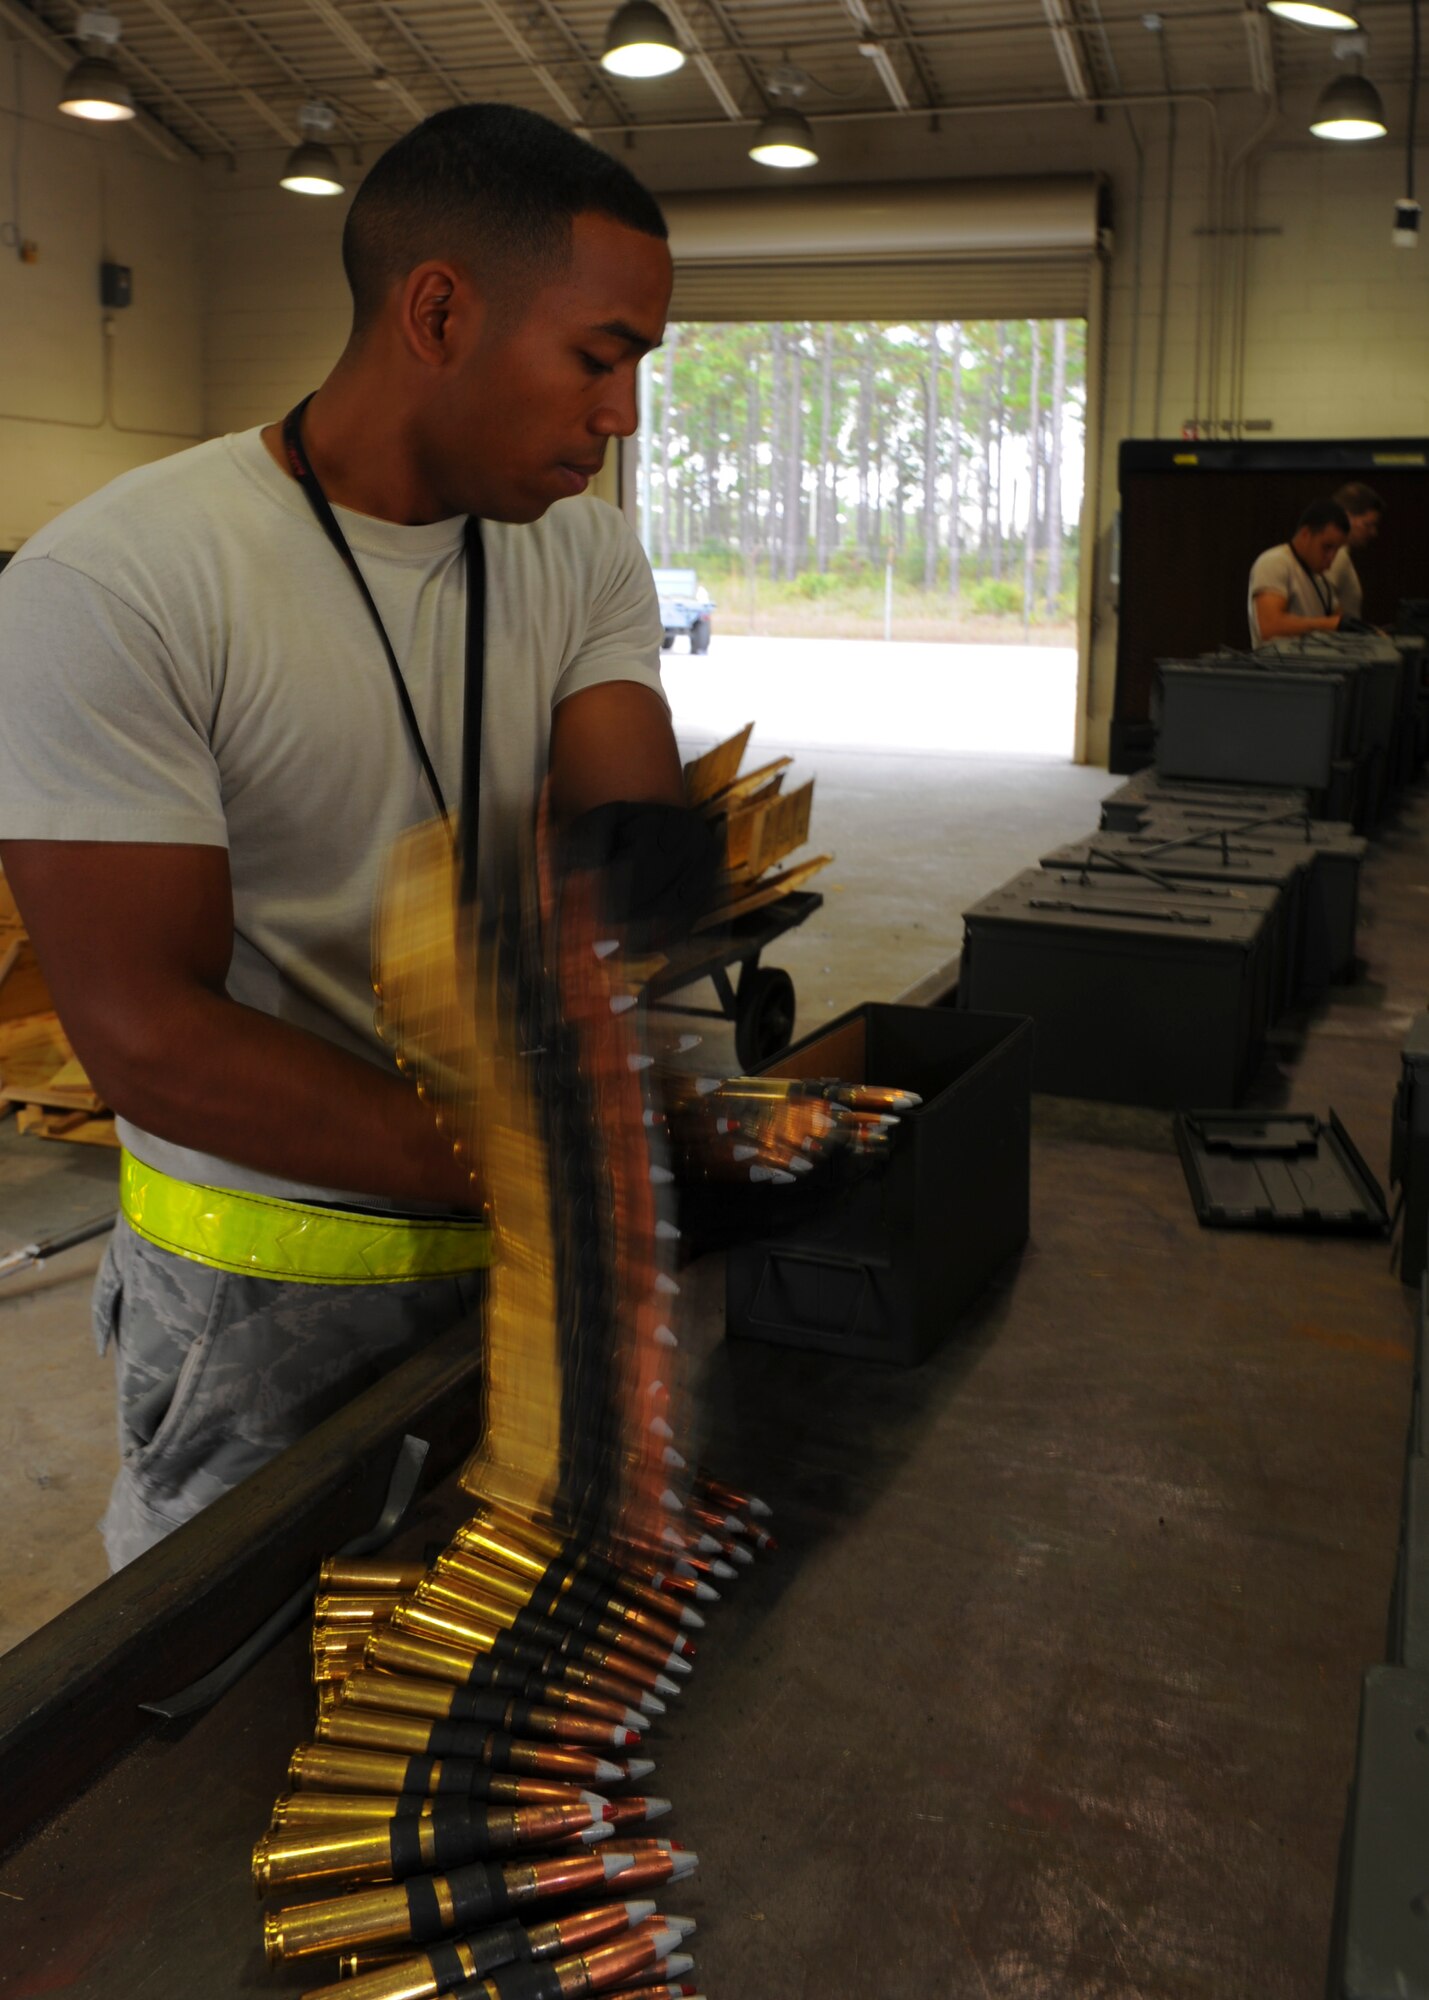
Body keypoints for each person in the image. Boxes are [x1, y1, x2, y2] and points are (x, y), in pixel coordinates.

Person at [0, 104, 686, 1569]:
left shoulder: (584, 551)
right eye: (598, 355)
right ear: (437, 309)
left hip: (533, 1265)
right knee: (229, 1705)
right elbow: (147, 1036)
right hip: (258, 1296)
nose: (621, 415)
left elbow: (636, 846)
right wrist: (542, 1162)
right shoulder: (123, 583)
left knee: (501, 1655)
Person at [1246, 498, 1350, 645]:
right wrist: (1326, 624)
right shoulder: (1274, 562)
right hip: (1279, 667)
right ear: (1305, 534)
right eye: (1327, 547)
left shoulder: (1321, 580)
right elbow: (1269, 627)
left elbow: (1340, 622)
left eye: (1336, 550)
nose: (1331, 558)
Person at [1327, 481, 1385, 625]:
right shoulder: (1335, 556)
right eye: (1367, 524)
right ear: (1345, 517)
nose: (1373, 532)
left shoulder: (1336, 554)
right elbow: (1325, 606)